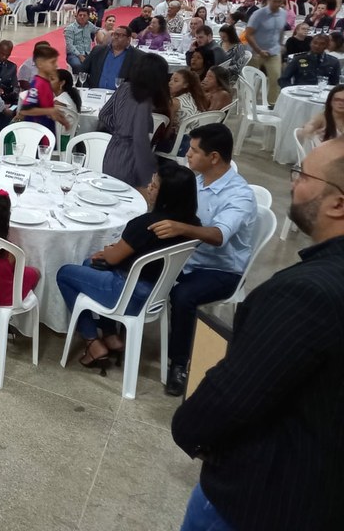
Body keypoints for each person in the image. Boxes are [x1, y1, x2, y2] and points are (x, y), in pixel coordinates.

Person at [171, 139, 344, 531]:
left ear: (337, 203)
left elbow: (232, 396)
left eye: (303, 175)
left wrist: (188, 429)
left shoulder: (305, 293)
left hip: (263, 499)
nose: (293, 182)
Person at [149, 123, 256, 397]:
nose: (187, 154)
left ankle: (179, 363)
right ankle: (121, 329)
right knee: (139, 263)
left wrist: (180, 227)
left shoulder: (239, 195)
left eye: (194, 151)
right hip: (187, 255)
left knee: (183, 295)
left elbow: (218, 235)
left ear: (214, 157)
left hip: (221, 268)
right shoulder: (196, 180)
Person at [57, 163, 199, 368]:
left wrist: (109, 250)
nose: (149, 188)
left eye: (154, 186)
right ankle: (110, 335)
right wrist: (111, 254)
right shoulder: (192, 225)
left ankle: (92, 342)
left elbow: (113, 258)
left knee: (64, 274)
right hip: (156, 295)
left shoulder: (146, 224)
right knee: (91, 263)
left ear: (168, 195)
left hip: (128, 294)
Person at [99, 54, 170, 192]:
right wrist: (148, 174)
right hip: (130, 157)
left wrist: (119, 129)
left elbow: (103, 114)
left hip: (112, 150)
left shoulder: (124, 87)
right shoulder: (144, 100)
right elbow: (140, 139)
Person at [243, 0, 287, 103]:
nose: (277, 4)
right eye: (275, 1)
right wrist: (259, 50)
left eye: (280, 2)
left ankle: (272, 104)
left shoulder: (283, 13)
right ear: (268, 0)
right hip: (256, 51)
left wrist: (280, 44)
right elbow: (248, 34)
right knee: (251, 79)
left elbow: (281, 30)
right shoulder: (258, 14)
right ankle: (247, 103)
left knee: (276, 79)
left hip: (274, 51)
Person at [14, 45, 67, 133]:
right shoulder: (37, 85)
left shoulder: (46, 83)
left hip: (46, 129)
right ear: (40, 64)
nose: (56, 65)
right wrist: (50, 111)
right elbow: (26, 110)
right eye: (52, 62)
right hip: (36, 132)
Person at [64, 8, 94, 73]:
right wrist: (80, 56)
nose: (82, 17)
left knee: (98, 65)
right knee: (77, 65)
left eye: (84, 15)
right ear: (76, 16)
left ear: (88, 17)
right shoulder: (70, 28)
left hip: (87, 53)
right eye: (80, 15)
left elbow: (98, 30)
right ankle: (79, 79)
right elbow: (69, 46)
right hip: (74, 54)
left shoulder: (89, 26)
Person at [0, 39, 20, 105]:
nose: (4, 57)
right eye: (2, 54)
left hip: (6, 100)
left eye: (7, 55)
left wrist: (14, 93)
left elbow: (15, 86)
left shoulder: (12, 67)